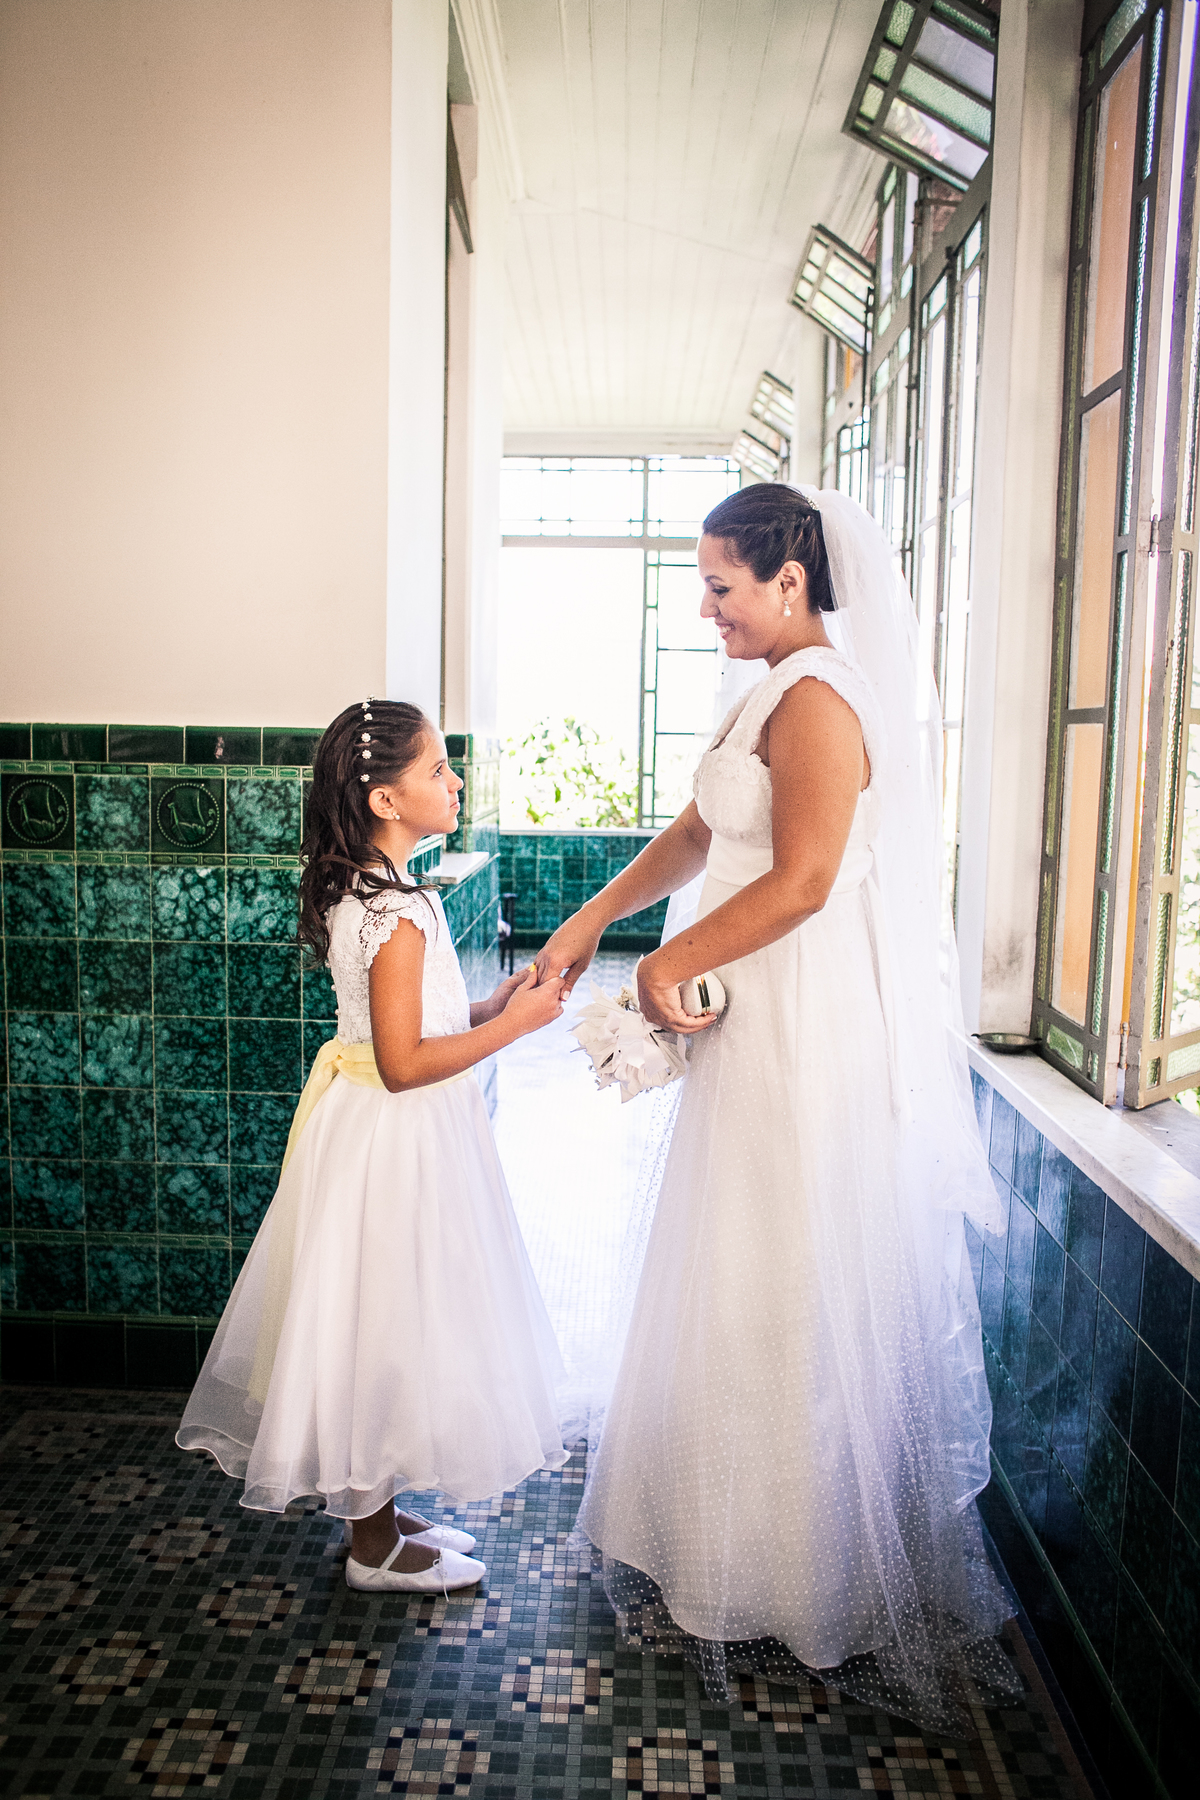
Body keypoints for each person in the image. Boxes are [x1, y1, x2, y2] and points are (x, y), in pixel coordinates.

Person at [534, 485, 1014, 1731]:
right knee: (730, 1263)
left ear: (789, 583)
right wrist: (596, 921)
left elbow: (801, 881)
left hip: (806, 1025)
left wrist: (662, 967)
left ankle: (801, 1574)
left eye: (721, 586)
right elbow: (700, 834)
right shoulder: (758, 691)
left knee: (789, 1272)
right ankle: (710, 1529)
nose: (705, 608)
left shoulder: (823, 701)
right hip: (747, 1011)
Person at [178, 700, 569, 1593]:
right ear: (387, 800)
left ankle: (378, 1510)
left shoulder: (379, 892)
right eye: (438, 771)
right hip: (395, 1136)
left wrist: (491, 1005)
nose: (456, 781)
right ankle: (371, 1549)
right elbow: (403, 1064)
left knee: (384, 1320)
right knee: (380, 1326)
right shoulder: (393, 914)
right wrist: (520, 1029)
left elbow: (418, 1024)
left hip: (382, 1128)